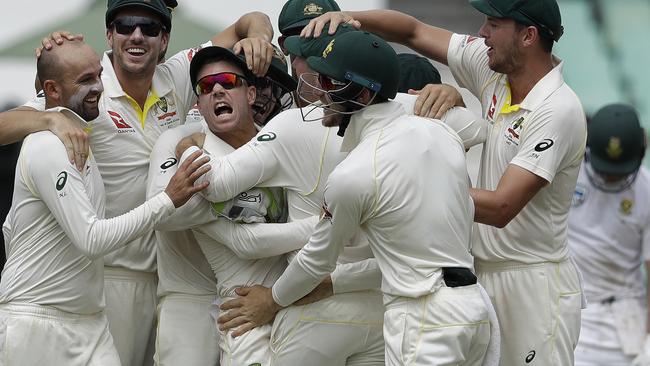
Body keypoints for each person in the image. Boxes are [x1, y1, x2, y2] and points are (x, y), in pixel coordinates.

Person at [302, 1, 588, 364]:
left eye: (494, 24)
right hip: (480, 275)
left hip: (534, 284)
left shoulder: (558, 109)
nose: (482, 32)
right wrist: (352, 20)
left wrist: (411, 186)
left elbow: (502, 207)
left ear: (528, 36)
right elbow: (413, 32)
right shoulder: (492, 67)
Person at [0, 1, 275, 364]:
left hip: (168, 277)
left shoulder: (177, 74)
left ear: (164, 40)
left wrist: (259, 35)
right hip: (111, 275)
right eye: (125, 25)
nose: (136, 36)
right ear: (109, 35)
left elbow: (248, 21)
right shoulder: (89, 87)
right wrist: (49, 121)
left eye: (148, 27)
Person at [210, 30, 494, 366]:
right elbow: (479, 128)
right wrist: (448, 94)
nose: (319, 93)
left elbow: (316, 262)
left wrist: (272, 299)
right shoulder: (443, 131)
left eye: (329, 84)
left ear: (361, 92)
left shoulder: (355, 173)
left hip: (423, 319)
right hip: (474, 311)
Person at [0, 39, 209, 366]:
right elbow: (92, 239)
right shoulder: (46, 145)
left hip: (89, 321)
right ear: (52, 90)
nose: (99, 87)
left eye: (98, 75)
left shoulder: (83, 135)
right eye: (85, 80)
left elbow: (10, 228)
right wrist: (168, 199)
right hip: (36, 322)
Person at [147, 45, 315, 366]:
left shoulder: (280, 142)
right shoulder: (189, 148)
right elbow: (165, 213)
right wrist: (323, 226)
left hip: (289, 302)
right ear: (198, 103)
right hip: (216, 303)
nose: (218, 90)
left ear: (250, 94)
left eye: (227, 81)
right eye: (207, 87)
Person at [569, 104, 650, 366]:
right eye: (605, 171)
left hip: (624, 318)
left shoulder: (647, 190)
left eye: (620, 172)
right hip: (570, 306)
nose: (612, 180)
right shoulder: (568, 170)